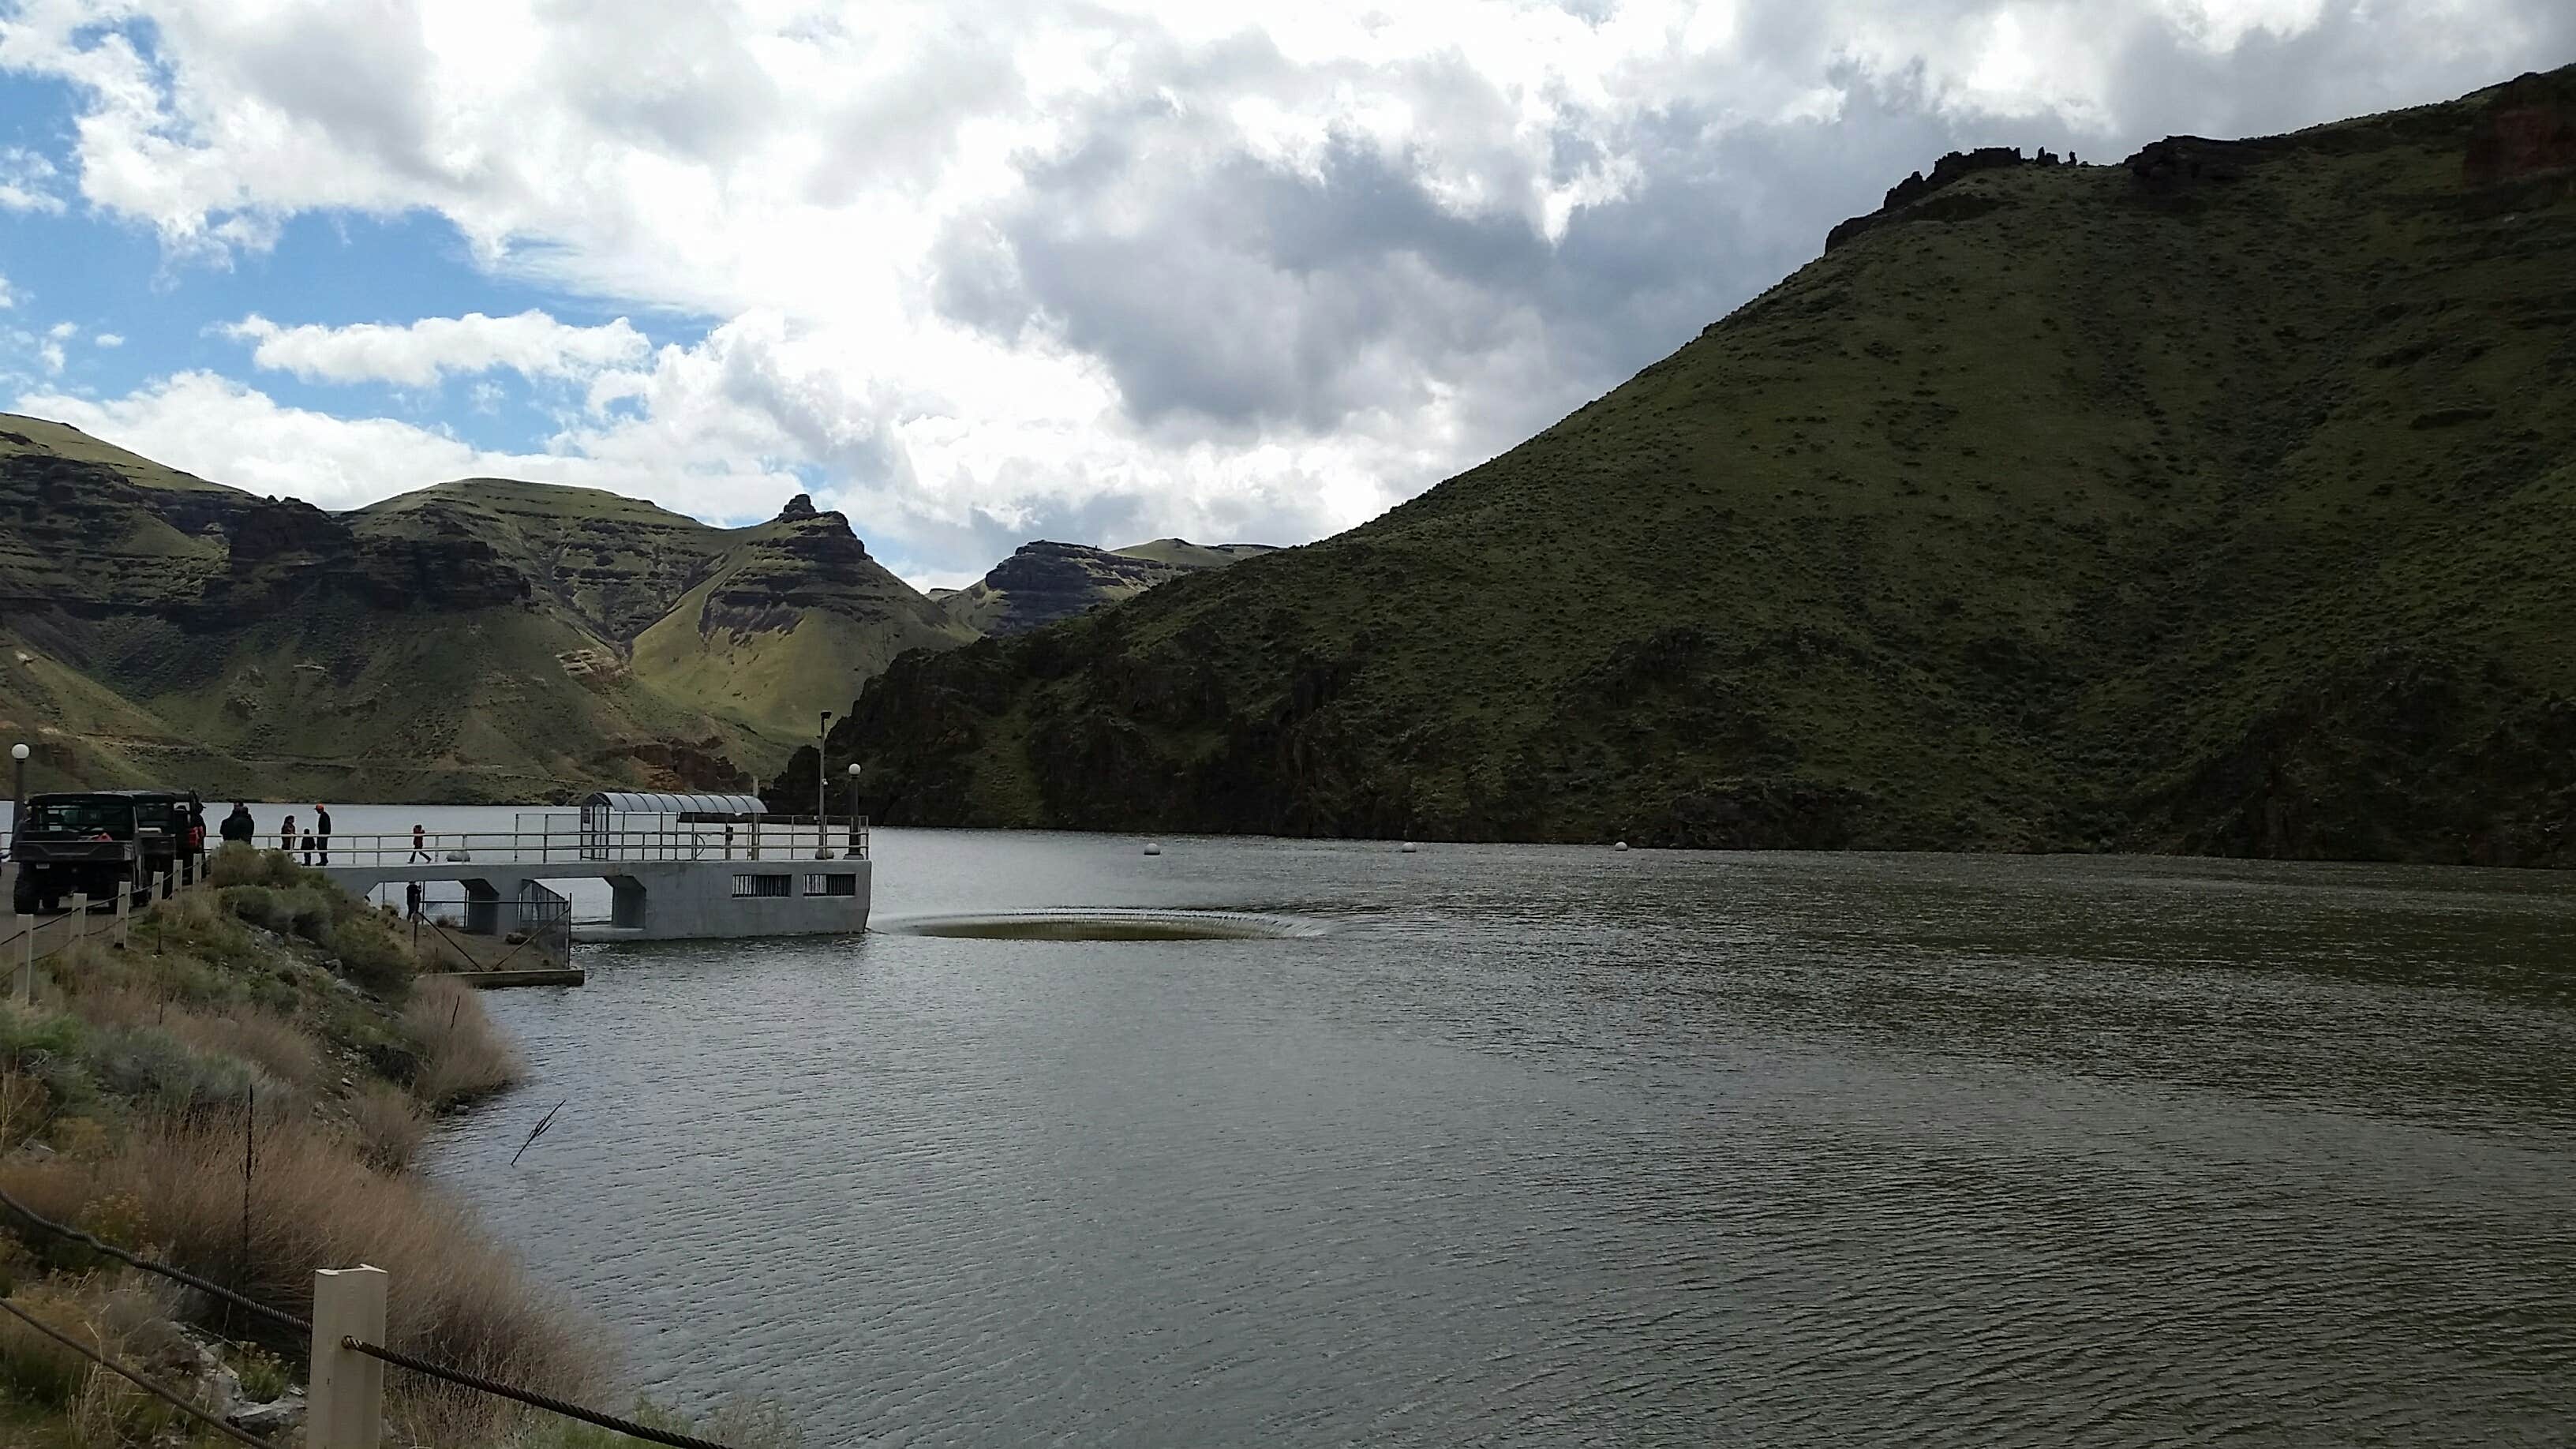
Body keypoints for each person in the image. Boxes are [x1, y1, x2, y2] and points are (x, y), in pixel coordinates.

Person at [313, 803, 331, 867]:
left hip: (323, 835)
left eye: (317, 810)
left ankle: (324, 860)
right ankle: (323, 859)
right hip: (323, 834)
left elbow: (326, 826)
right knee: (321, 847)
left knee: (322, 847)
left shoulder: (324, 816)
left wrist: (324, 834)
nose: (317, 811)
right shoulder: (324, 815)